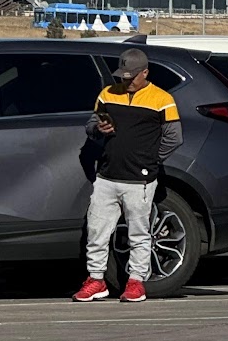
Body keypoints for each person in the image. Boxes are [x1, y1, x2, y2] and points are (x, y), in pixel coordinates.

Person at [73, 48, 182, 305]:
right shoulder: (107, 94)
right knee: (96, 230)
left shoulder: (162, 99)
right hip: (107, 175)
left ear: (145, 73)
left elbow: (175, 138)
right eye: (122, 75)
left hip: (140, 179)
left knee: (139, 232)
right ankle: (96, 279)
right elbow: (91, 125)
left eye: (132, 76)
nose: (126, 80)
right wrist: (99, 129)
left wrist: (151, 160)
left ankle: (136, 282)